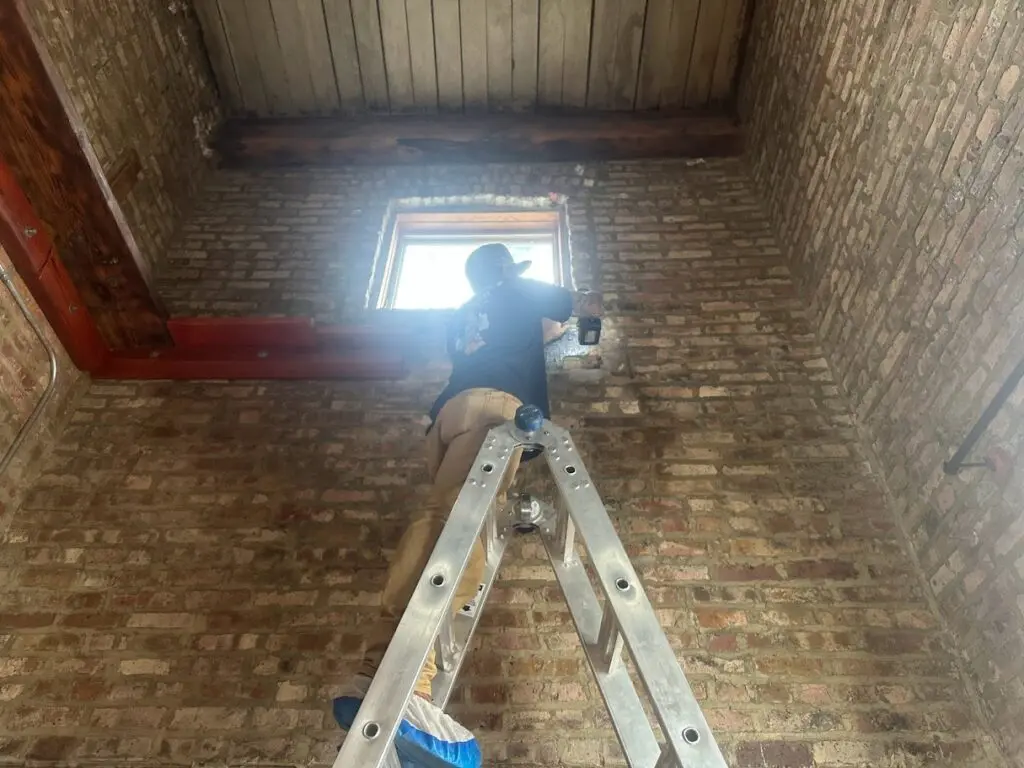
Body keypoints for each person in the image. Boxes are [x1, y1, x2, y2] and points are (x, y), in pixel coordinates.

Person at [333, 243, 575, 767]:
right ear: (505, 267)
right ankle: (405, 685)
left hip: (448, 418)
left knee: (439, 519)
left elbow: (509, 338)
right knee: (455, 530)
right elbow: (563, 307)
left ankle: (377, 667)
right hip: (495, 409)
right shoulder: (516, 287)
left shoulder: (466, 311)